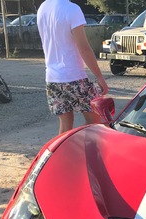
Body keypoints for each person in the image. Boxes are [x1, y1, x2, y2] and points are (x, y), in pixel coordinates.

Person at [37, 0, 108, 135]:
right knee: (96, 122)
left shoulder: (43, 7)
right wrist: (99, 77)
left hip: (52, 78)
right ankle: (80, 149)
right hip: (74, 76)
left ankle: (65, 154)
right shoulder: (72, 9)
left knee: (65, 125)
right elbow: (84, 48)